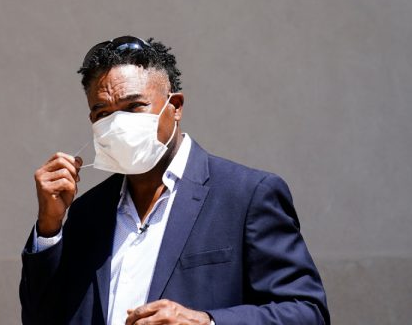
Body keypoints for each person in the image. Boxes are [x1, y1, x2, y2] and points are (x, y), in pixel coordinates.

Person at [20, 36, 329, 325]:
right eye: (103, 113)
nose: (119, 124)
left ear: (175, 107)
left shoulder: (246, 196)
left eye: (134, 106)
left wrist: (205, 321)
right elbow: (42, 318)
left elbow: (306, 312)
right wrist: (49, 227)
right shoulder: (87, 212)